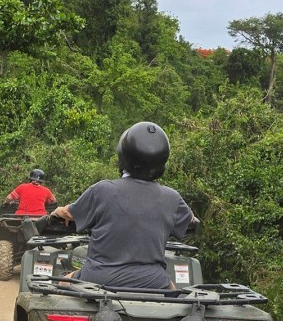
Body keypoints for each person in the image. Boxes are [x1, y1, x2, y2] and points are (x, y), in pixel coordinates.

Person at [51, 121, 194, 289]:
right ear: (162, 162)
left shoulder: (103, 190)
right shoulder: (172, 198)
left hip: (98, 278)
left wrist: (56, 212)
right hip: (153, 282)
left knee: (62, 282)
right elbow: (191, 220)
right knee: (173, 291)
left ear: (123, 155)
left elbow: (69, 213)